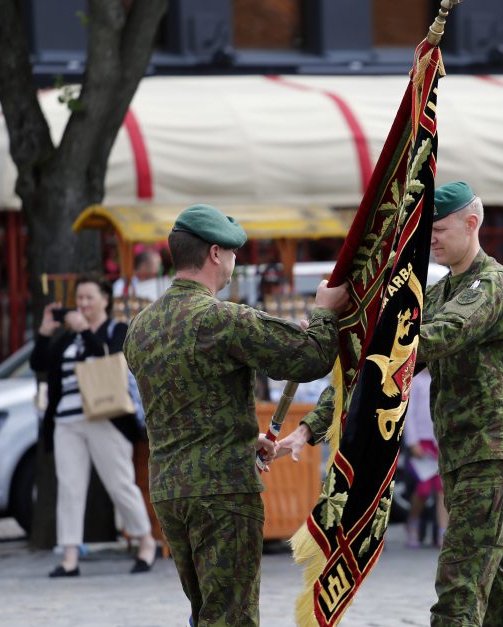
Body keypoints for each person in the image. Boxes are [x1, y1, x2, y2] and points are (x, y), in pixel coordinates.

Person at [276, 182, 503, 626]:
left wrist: (377, 331)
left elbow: (436, 336)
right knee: (499, 591)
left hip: (491, 453)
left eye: (439, 229)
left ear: (472, 223)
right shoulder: (436, 296)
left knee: (458, 588)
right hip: (460, 456)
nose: (430, 239)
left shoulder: (495, 286)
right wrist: (308, 429)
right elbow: (378, 373)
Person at [123, 204, 349, 627]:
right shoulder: (221, 319)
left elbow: (186, 401)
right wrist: (323, 311)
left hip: (170, 490)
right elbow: (312, 358)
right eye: (231, 254)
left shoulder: (141, 327)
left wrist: (241, 438)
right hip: (222, 491)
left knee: (206, 612)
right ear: (214, 254)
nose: (233, 263)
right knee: (231, 618)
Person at [30, 274, 156, 577]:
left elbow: (106, 355)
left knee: (120, 484)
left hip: (106, 418)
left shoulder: (117, 330)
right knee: (70, 488)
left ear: (105, 300)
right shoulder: (66, 339)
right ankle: (70, 556)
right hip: (66, 421)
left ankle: (145, 542)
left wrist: (85, 330)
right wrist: (46, 333)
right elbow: (39, 364)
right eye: (80, 298)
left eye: (89, 297)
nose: (83, 304)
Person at [402, 369, 448, 549]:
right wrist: (413, 442)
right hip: (422, 442)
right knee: (422, 489)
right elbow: (409, 413)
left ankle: (442, 532)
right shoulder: (415, 381)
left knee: (442, 490)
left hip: (438, 441)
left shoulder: (442, 379)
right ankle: (412, 522)